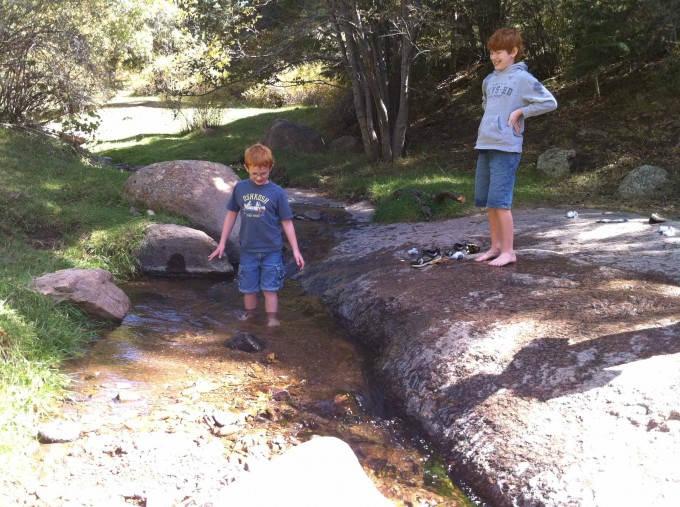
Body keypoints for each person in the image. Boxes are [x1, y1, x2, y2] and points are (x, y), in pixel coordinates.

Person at [473, 27, 557, 266]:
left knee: (500, 201)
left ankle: (509, 252)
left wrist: (522, 111)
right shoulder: (489, 80)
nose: (494, 57)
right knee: (489, 201)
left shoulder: (522, 78)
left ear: (513, 52)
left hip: (506, 147)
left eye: (498, 52)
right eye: (491, 52)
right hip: (486, 144)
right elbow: (486, 104)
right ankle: (495, 247)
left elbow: (550, 102)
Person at [208, 143, 305, 326]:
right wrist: (221, 243)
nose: (259, 178)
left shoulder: (277, 192)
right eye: (254, 173)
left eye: (263, 173)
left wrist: (296, 250)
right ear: (246, 168)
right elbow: (231, 215)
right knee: (248, 289)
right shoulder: (240, 188)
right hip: (247, 250)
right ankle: (251, 317)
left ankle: (272, 320)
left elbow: (287, 222)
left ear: (270, 167)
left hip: (272, 250)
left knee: (270, 289)